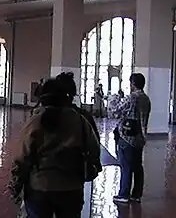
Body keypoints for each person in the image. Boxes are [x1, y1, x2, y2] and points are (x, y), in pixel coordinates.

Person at [10, 78, 101, 218]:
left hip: (40, 186)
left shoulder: (36, 121)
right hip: (71, 187)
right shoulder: (79, 121)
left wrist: (16, 183)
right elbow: (94, 150)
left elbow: (23, 156)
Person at [109, 73, 149, 204]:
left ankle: (124, 194)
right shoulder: (146, 99)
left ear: (133, 84)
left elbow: (115, 111)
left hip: (127, 138)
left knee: (125, 166)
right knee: (138, 166)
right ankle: (136, 194)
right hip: (140, 138)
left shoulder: (132, 98)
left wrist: (113, 99)